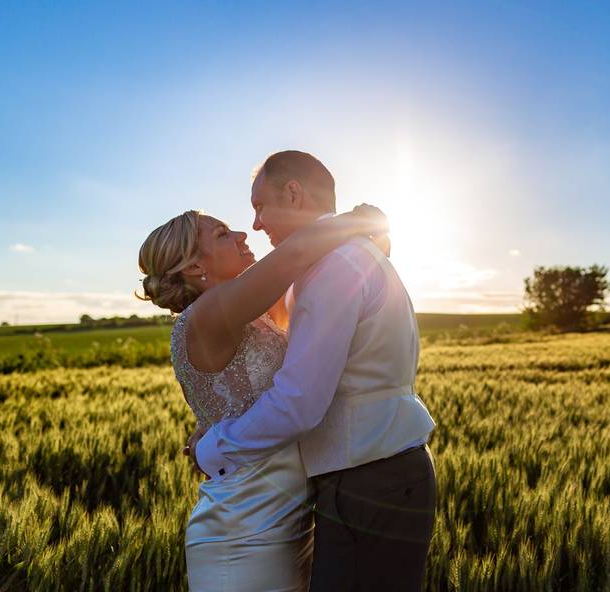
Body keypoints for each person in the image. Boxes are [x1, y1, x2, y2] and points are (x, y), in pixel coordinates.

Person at [190, 150, 437, 592]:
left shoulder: (332, 267)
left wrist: (214, 448)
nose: (258, 224)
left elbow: (300, 402)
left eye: (260, 206)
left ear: (293, 193)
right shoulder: (344, 257)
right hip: (372, 471)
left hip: (367, 478)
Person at [138, 203, 388, 592]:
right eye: (222, 234)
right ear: (192, 267)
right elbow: (298, 253)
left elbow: (314, 273)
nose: (242, 235)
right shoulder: (207, 314)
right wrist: (361, 219)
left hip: (288, 516)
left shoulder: (250, 310)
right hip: (242, 527)